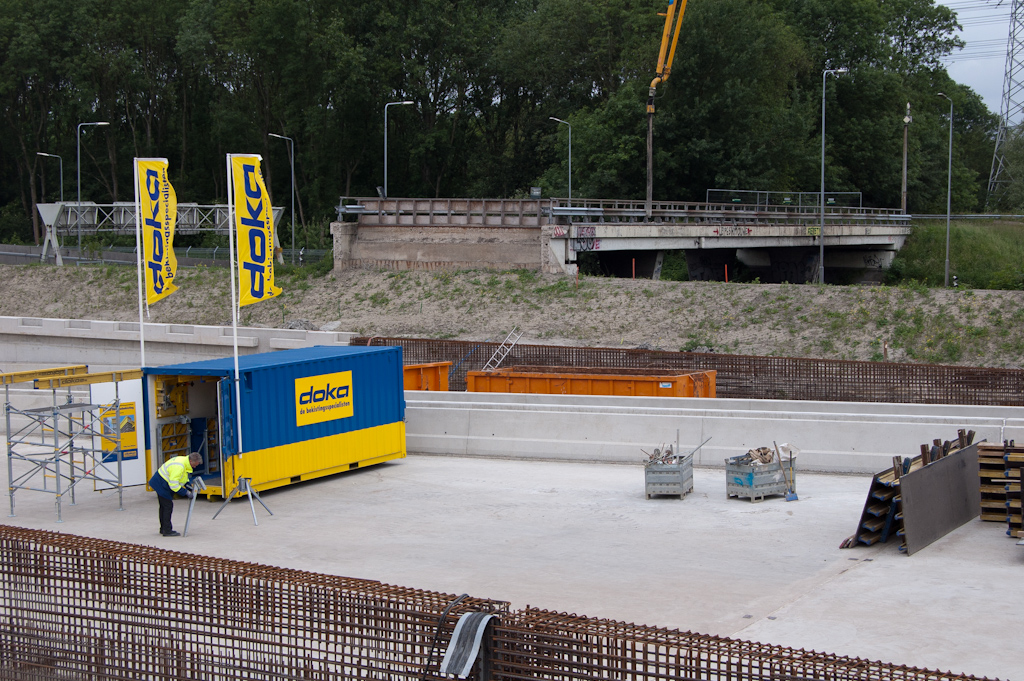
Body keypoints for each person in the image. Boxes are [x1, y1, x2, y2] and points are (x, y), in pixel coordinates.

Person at [149, 452, 202, 537]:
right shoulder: (179, 466)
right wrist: (186, 493)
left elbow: (182, 476)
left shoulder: (184, 462)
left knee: (164, 506)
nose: (195, 467)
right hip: (161, 484)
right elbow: (173, 485)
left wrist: (187, 485)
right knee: (167, 506)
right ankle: (167, 530)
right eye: (195, 465)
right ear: (191, 461)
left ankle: (163, 528)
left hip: (160, 482)